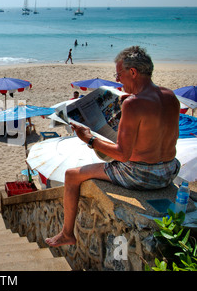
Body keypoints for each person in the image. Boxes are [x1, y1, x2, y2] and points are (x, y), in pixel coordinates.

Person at [45, 46, 181, 247]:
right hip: (169, 170)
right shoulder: (170, 97)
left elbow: (123, 155)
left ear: (133, 72)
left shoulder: (133, 104)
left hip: (142, 176)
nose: (118, 80)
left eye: (119, 74)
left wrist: (89, 139)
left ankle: (67, 234)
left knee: (72, 175)